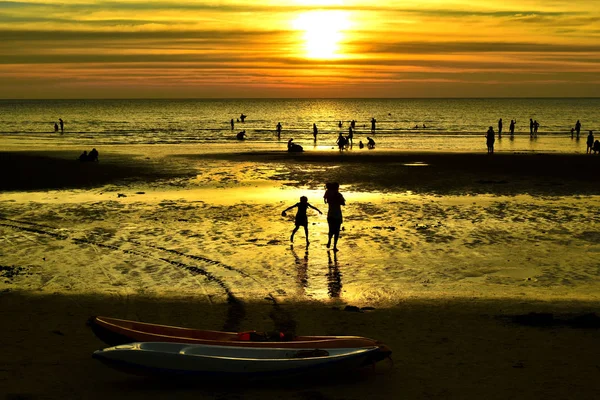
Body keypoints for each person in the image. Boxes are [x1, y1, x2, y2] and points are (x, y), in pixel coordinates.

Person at [323, 182, 345, 251]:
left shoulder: (328, 194)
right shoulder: (338, 195)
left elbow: (325, 200)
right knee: (337, 231)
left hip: (330, 214)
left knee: (331, 229)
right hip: (337, 215)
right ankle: (334, 246)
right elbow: (343, 203)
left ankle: (329, 240)